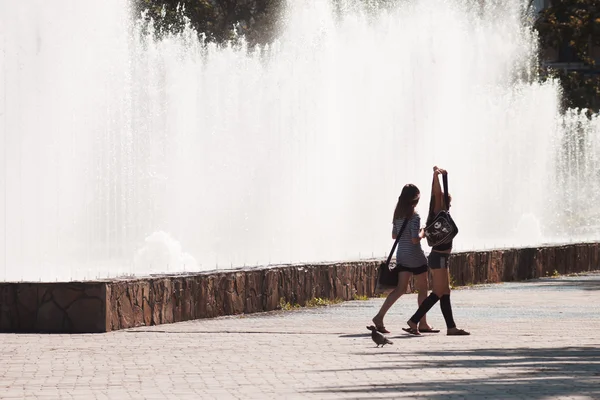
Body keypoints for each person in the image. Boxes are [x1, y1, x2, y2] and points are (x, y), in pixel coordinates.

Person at [404, 166, 470, 336]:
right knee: (439, 292)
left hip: (441, 259)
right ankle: (414, 321)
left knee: (445, 292)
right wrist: (436, 177)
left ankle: (451, 327)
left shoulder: (441, 214)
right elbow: (437, 195)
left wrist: (443, 178)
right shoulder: (437, 211)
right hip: (438, 258)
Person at [371, 183, 438, 334]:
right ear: (415, 199)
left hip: (402, 255)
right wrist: (423, 231)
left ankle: (379, 316)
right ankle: (423, 323)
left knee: (399, 289)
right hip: (415, 256)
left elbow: (394, 236)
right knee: (423, 289)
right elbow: (415, 239)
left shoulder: (398, 215)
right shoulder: (415, 216)